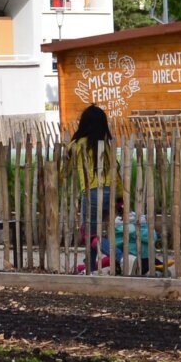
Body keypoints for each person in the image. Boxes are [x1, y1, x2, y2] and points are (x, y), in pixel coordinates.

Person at [69, 104, 118, 272]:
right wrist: (119, 196)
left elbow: (65, 170)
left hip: (92, 193)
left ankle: (121, 256)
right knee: (94, 233)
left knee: (87, 233)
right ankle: (89, 267)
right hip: (109, 191)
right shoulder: (106, 145)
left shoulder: (78, 145)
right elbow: (115, 170)